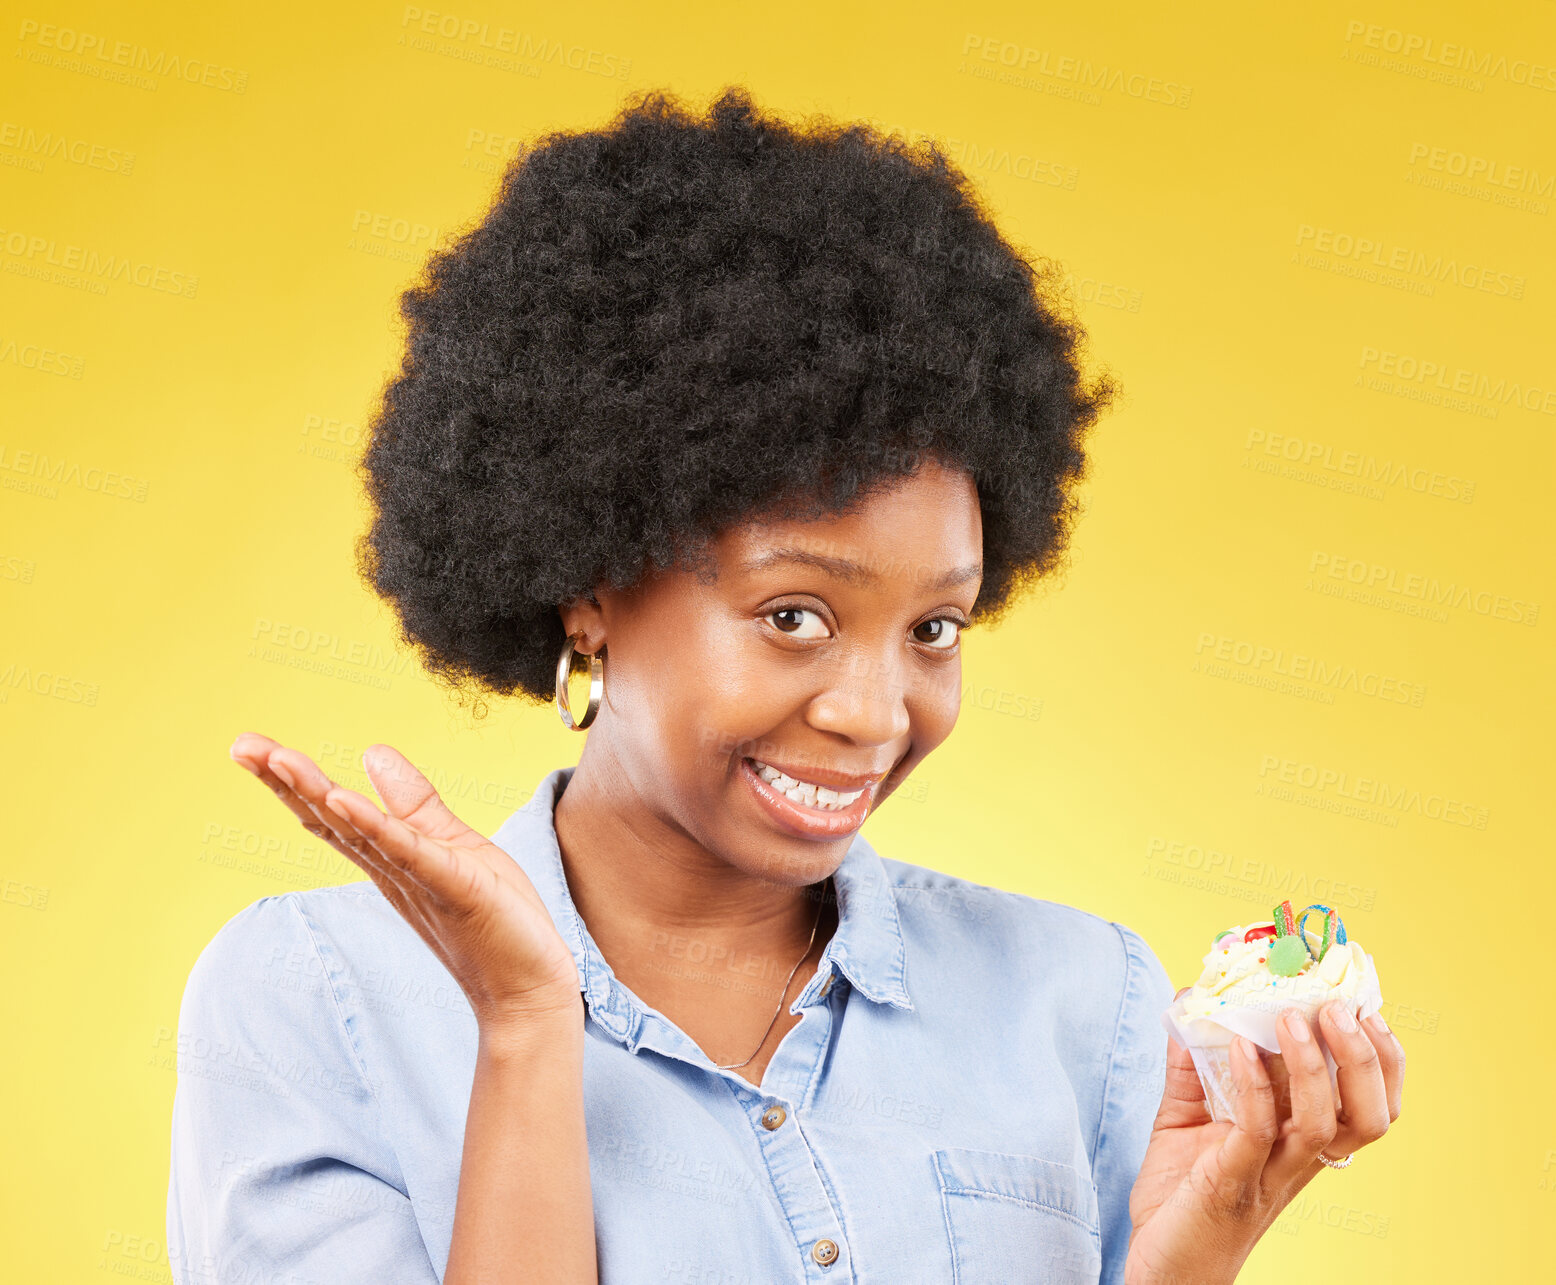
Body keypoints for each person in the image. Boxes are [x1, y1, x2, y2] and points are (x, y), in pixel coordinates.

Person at [166, 86, 1404, 1285]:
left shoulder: (1085, 1001)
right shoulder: (319, 999)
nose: (873, 714)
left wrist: (1193, 1256)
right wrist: (525, 1025)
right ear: (589, 588)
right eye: (793, 615)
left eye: (933, 627)